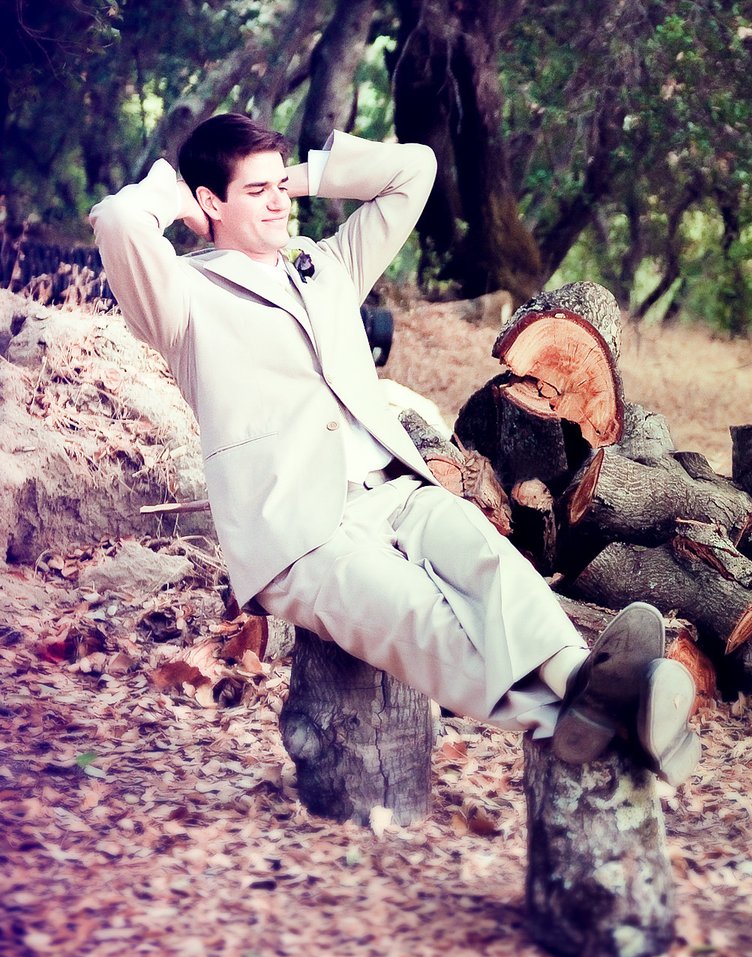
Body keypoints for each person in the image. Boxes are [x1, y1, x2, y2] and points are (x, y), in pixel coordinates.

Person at [88, 114, 698, 781]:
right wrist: (173, 196)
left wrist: (298, 177)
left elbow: (415, 170)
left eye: (279, 187)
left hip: (396, 489)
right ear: (210, 200)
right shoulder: (182, 299)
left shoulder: (323, 265)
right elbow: (118, 220)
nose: (277, 202)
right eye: (256, 191)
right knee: (422, 618)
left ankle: (582, 681)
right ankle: (582, 722)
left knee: (487, 560)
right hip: (300, 529)